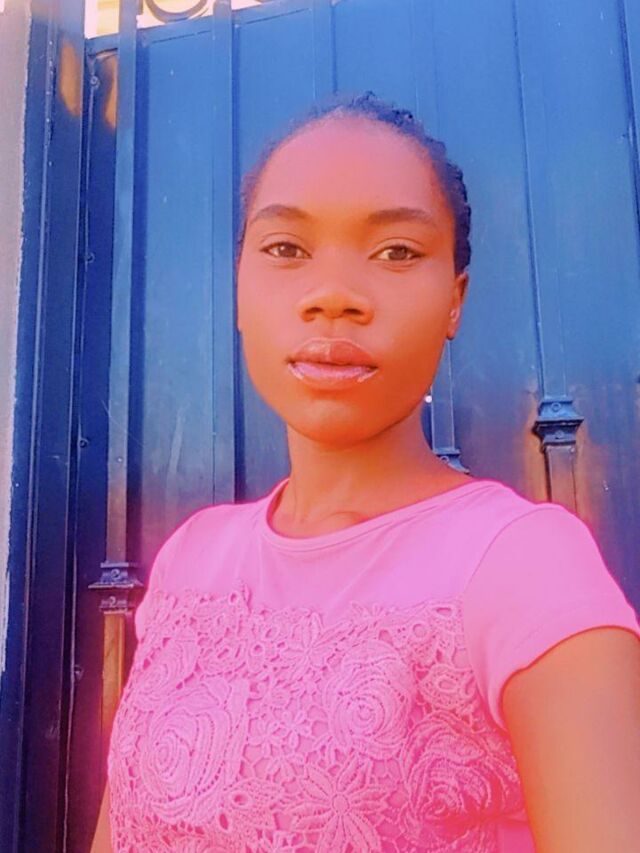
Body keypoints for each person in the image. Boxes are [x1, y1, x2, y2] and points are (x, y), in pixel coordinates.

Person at [93, 91, 640, 852]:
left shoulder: (525, 565)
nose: (333, 296)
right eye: (286, 249)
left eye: (397, 253)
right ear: (240, 286)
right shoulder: (191, 558)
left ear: (455, 302)